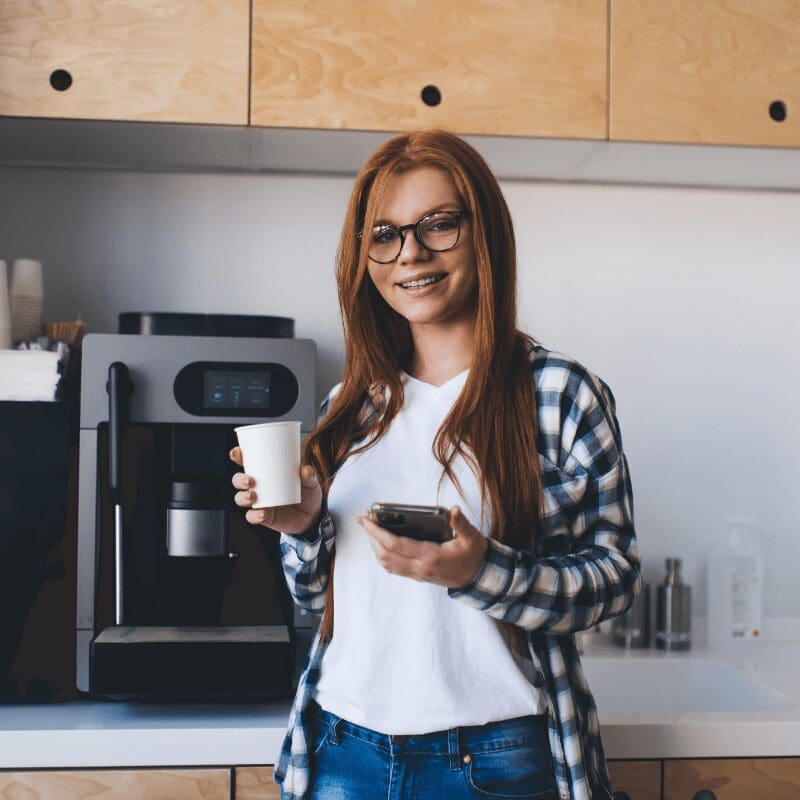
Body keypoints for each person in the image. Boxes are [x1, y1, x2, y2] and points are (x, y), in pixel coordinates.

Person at [229, 129, 641, 800]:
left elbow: (614, 579)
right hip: (341, 750)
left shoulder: (561, 395)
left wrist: (483, 572)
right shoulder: (349, 406)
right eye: (384, 235)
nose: (410, 253)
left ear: (485, 234)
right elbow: (313, 602)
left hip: (496, 759)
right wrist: (303, 528)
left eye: (438, 225)